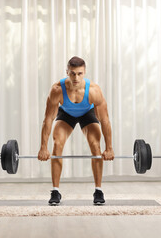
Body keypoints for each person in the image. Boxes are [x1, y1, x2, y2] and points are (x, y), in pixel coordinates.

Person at [38, 56, 115, 205]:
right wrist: (43, 147)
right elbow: (48, 119)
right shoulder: (57, 90)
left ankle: (98, 190)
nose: (76, 77)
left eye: (79, 73)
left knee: (95, 145)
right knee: (57, 144)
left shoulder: (94, 90)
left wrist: (109, 148)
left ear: (84, 72)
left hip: (87, 113)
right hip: (66, 113)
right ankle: (55, 191)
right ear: (67, 72)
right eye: (72, 73)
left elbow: (104, 120)